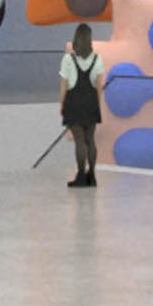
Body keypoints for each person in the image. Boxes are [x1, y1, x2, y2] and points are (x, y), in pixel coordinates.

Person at [59, 23, 105, 188]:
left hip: (74, 101)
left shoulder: (68, 59)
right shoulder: (97, 59)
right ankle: (91, 176)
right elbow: (99, 85)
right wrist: (97, 104)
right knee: (90, 139)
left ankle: (80, 176)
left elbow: (64, 84)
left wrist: (62, 104)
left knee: (79, 140)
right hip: (91, 101)